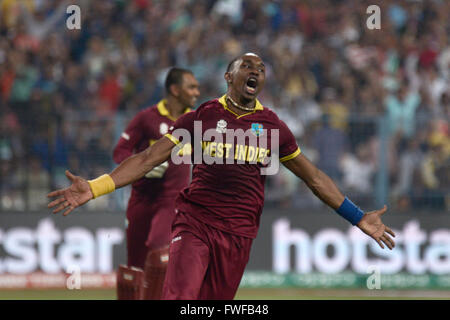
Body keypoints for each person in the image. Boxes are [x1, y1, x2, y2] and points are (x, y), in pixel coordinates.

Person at [48, 53, 396, 300]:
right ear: (229, 77)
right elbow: (149, 157)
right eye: (247, 65)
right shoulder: (202, 117)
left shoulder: (274, 126)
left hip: (239, 234)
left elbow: (315, 178)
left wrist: (357, 216)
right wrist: (95, 187)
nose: (255, 70)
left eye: (260, 67)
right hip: (195, 222)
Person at [113, 67, 199, 300]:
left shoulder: (196, 122)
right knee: (134, 267)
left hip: (172, 201)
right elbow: (120, 151)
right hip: (141, 200)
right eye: (191, 87)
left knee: (160, 251)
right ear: (174, 89)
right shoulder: (146, 118)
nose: (197, 92)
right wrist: (141, 170)